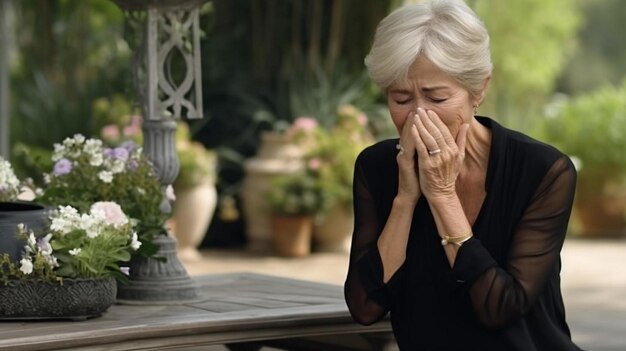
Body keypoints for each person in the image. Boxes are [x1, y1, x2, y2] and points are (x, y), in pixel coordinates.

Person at [344, 0, 583, 350]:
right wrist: (406, 200)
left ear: (479, 90)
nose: (419, 116)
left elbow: (500, 308)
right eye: (401, 98)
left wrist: (442, 195)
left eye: (437, 97)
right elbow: (365, 306)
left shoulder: (543, 170)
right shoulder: (376, 167)